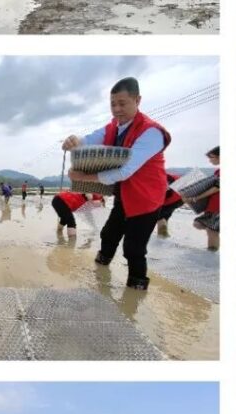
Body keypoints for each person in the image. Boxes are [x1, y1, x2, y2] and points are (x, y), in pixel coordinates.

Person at [63, 77, 172, 291]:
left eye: (122, 103)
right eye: (113, 104)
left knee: (133, 248)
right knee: (108, 235)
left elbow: (125, 171)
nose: (117, 109)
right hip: (125, 196)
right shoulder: (114, 127)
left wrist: (84, 178)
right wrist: (74, 140)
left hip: (146, 199)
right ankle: (101, 269)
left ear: (137, 100)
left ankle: (137, 289)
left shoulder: (151, 132)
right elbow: (90, 138)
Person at [191, 147, 220, 251]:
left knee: (212, 230)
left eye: (211, 157)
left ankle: (211, 255)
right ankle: (212, 252)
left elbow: (216, 188)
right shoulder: (218, 171)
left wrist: (197, 197)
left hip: (219, 207)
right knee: (198, 224)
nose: (210, 160)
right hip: (212, 206)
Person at [156, 173, 185, 237]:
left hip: (175, 195)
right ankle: (163, 235)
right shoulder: (158, 173)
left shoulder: (156, 178)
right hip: (182, 193)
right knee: (165, 215)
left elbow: (167, 193)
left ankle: (162, 236)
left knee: (160, 216)